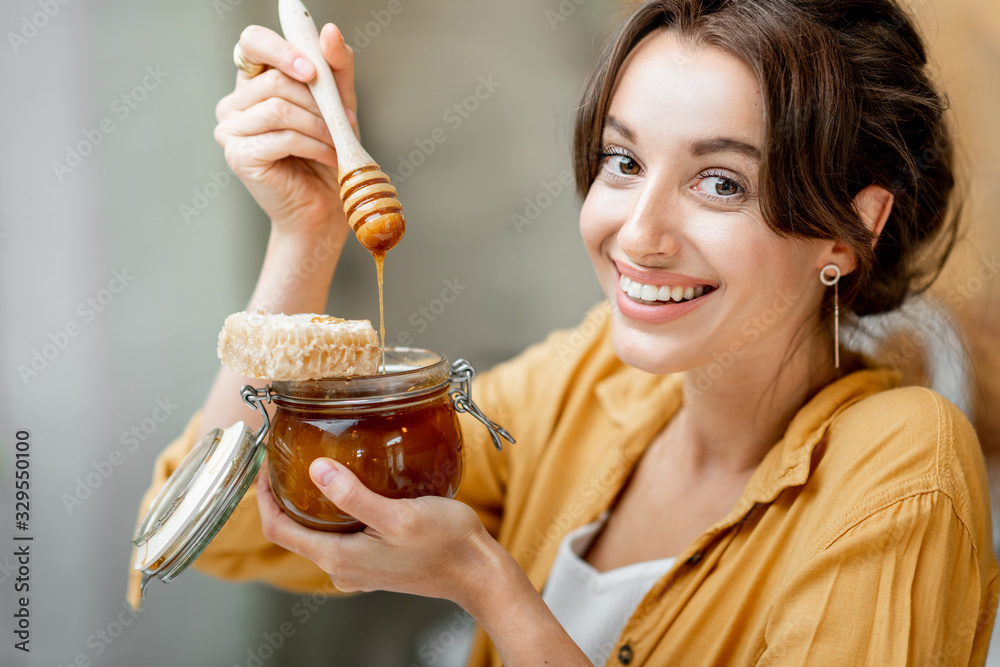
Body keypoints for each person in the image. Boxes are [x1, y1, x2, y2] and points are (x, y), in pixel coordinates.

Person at [130, 0, 999, 664]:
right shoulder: (588, 382)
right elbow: (212, 523)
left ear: (852, 227)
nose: (638, 232)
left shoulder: (904, 467)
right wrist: (307, 234)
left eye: (721, 182)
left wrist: (489, 586)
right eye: (624, 162)